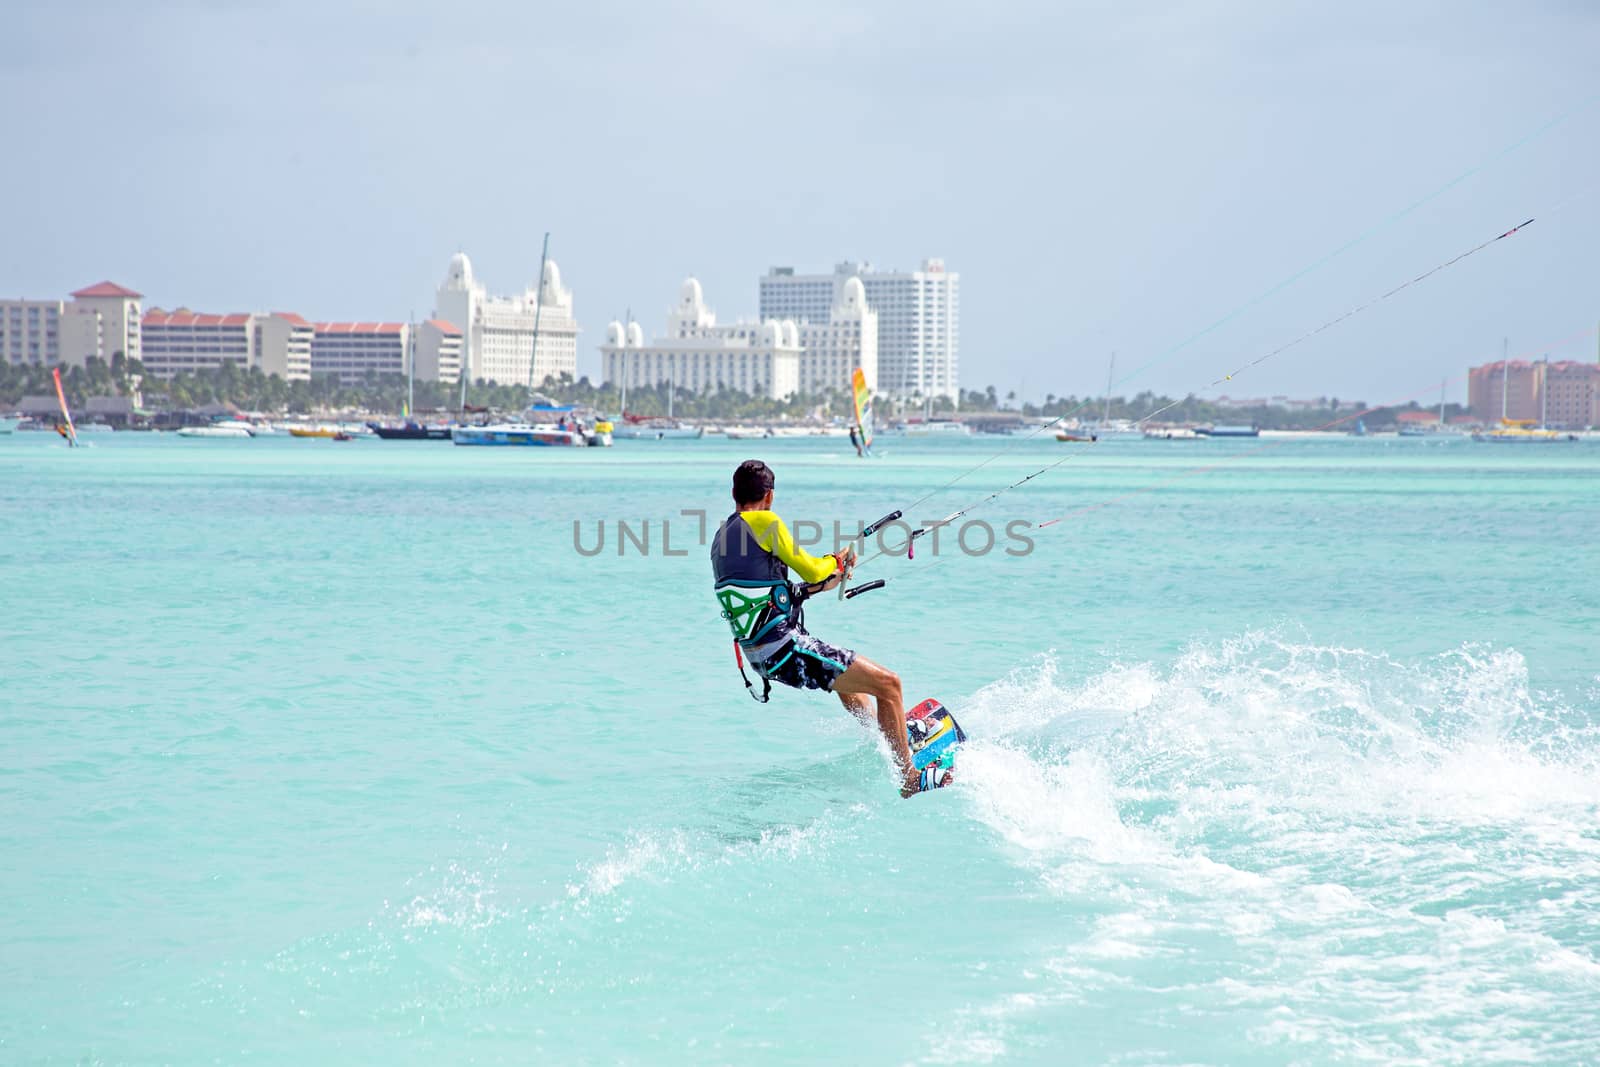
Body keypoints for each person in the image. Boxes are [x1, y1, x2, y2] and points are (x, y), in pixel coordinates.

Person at [710, 459, 951, 796]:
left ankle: (889, 732)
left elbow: (773, 593)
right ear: (770, 496)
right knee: (889, 684)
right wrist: (834, 562)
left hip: (763, 658)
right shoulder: (764, 521)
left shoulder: (722, 537)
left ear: (734, 494)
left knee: (846, 683)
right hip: (784, 648)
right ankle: (909, 777)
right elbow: (810, 570)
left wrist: (826, 580)